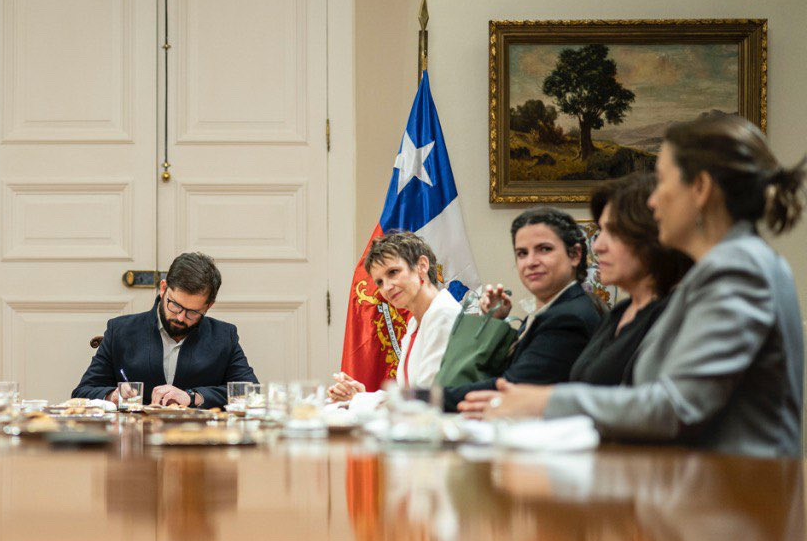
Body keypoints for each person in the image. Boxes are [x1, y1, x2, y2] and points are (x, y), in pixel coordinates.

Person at [473, 115, 805, 458]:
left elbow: (677, 407)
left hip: (736, 501)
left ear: (701, 188)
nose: (652, 201)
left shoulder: (737, 269)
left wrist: (547, 401)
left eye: (662, 181)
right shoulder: (724, 267)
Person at [444, 207, 602, 411]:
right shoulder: (553, 309)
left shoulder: (568, 317)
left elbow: (509, 389)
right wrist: (495, 321)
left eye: (544, 249)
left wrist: (430, 398)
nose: (531, 262)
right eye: (522, 253)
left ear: (574, 255)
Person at [72, 252, 257, 407]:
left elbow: (250, 393)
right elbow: (82, 392)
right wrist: (113, 395)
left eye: (193, 312)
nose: (180, 317)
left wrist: (194, 397)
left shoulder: (224, 336)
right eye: (175, 305)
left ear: (208, 306)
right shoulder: (120, 330)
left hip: (199, 442)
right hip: (135, 441)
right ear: (163, 289)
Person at [566, 172, 691, 386]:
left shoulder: (673, 314)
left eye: (613, 233)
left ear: (652, 236)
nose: (597, 246)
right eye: (600, 231)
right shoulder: (619, 311)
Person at [327, 231, 461, 405]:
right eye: (380, 282)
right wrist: (360, 395)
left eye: (393, 272)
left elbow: (424, 401)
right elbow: (408, 393)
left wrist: (360, 401)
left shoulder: (443, 315)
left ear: (422, 266)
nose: (387, 288)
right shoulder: (415, 322)